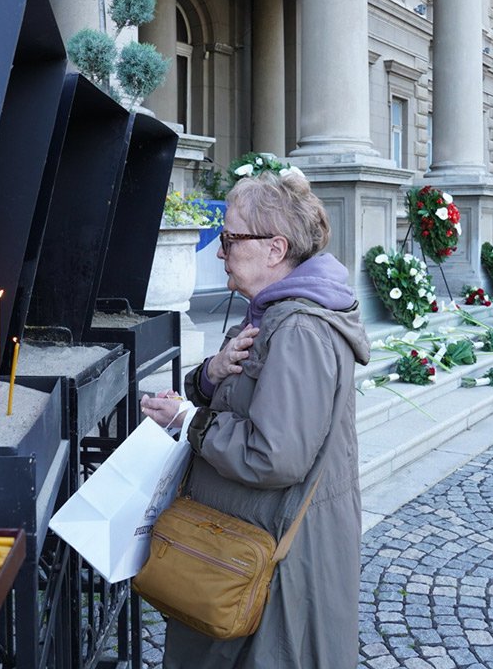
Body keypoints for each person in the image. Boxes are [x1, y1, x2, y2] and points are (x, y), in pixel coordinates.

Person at [140, 170, 370, 668]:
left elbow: (274, 455)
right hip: (246, 546)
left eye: (229, 238)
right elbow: (242, 397)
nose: (219, 252)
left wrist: (190, 420)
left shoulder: (299, 330)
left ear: (274, 249)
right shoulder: (266, 314)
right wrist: (209, 376)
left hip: (277, 561)